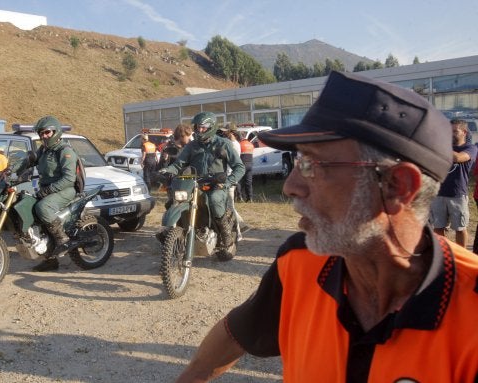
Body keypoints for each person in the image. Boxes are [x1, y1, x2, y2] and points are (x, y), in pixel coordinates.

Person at [175, 71, 478, 382]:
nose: (290, 187)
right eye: (297, 162)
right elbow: (237, 333)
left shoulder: (471, 314)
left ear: (397, 186)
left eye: (312, 164)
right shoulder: (299, 262)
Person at [160, 112, 245, 248]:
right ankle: (172, 232)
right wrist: (167, 170)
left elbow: (240, 167)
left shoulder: (224, 144)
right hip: (195, 183)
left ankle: (225, 234)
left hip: (217, 184)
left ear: (211, 127)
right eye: (198, 127)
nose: (200, 130)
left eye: (203, 127)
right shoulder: (192, 146)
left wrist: (228, 182)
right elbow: (179, 164)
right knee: (174, 200)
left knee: (214, 200)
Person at [32, 116, 79, 272]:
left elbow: (69, 178)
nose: (44, 136)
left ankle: (62, 239)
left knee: (43, 208)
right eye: (41, 133)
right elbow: (29, 161)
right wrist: (11, 171)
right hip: (47, 189)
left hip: (65, 189)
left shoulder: (65, 151)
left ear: (56, 132)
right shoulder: (43, 150)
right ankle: (50, 260)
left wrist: (49, 190)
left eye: (47, 132)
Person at [430, 119, 477, 248]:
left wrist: (438, 147)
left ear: (464, 132)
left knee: (460, 228)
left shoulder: (470, 148)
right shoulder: (444, 148)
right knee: (438, 227)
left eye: (455, 131)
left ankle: (462, 256)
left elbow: (458, 158)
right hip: (439, 193)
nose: (451, 134)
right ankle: (444, 255)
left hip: (457, 194)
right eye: (448, 131)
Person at [157, 124, 193, 209]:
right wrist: (165, 160)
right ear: (181, 136)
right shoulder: (169, 149)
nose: (190, 138)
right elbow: (161, 168)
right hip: (174, 184)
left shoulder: (188, 147)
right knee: (174, 207)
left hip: (188, 183)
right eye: (188, 136)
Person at [238, 132, 254, 202]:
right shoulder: (251, 144)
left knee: (239, 181)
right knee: (249, 182)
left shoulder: (240, 144)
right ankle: (250, 198)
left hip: (242, 164)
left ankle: (239, 197)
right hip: (250, 165)